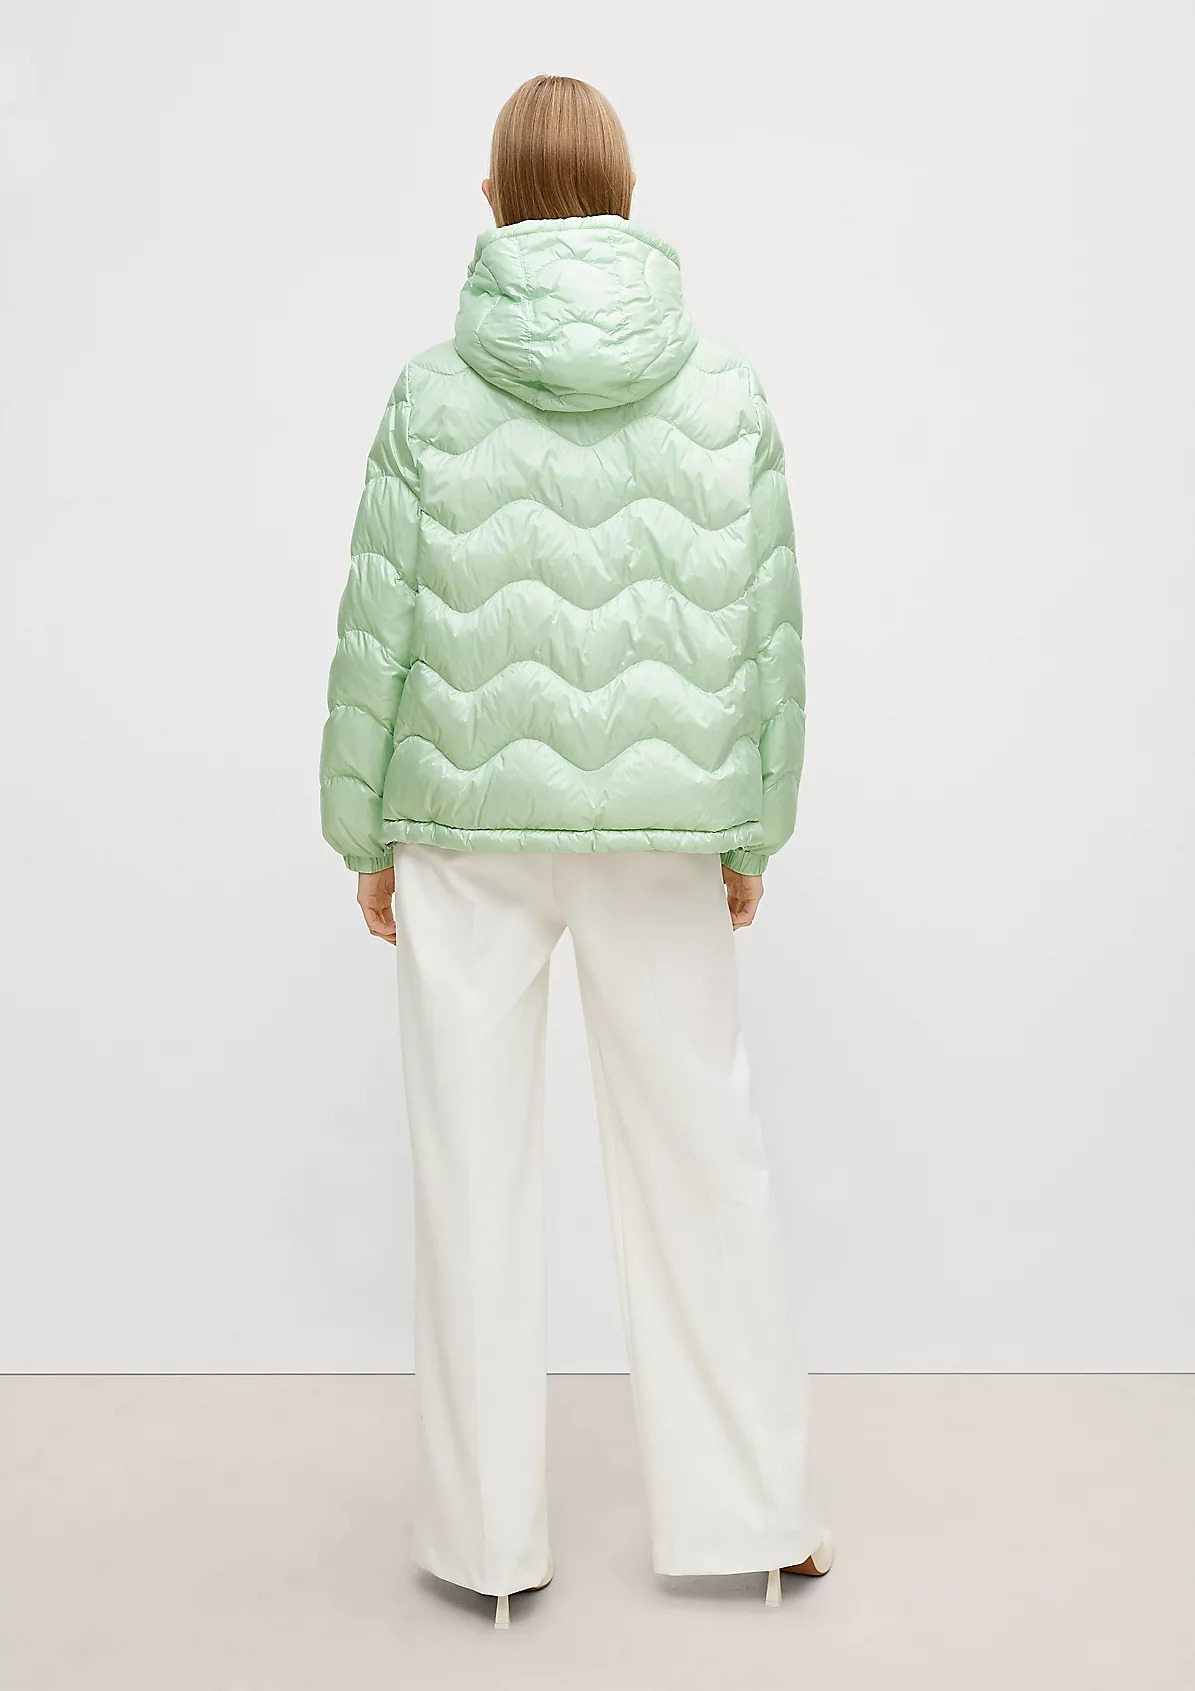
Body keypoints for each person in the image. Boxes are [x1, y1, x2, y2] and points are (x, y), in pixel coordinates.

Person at [318, 73, 833, 1628]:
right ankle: (759, 1520)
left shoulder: (429, 394)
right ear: (628, 194)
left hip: (463, 826)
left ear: (491, 202)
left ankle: (489, 1552)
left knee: (471, 1180)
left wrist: (361, 830)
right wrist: (753, 825)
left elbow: (378, 622)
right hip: (664, 831)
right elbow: (767, 629)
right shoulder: (725, 389)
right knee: (704, 1161)